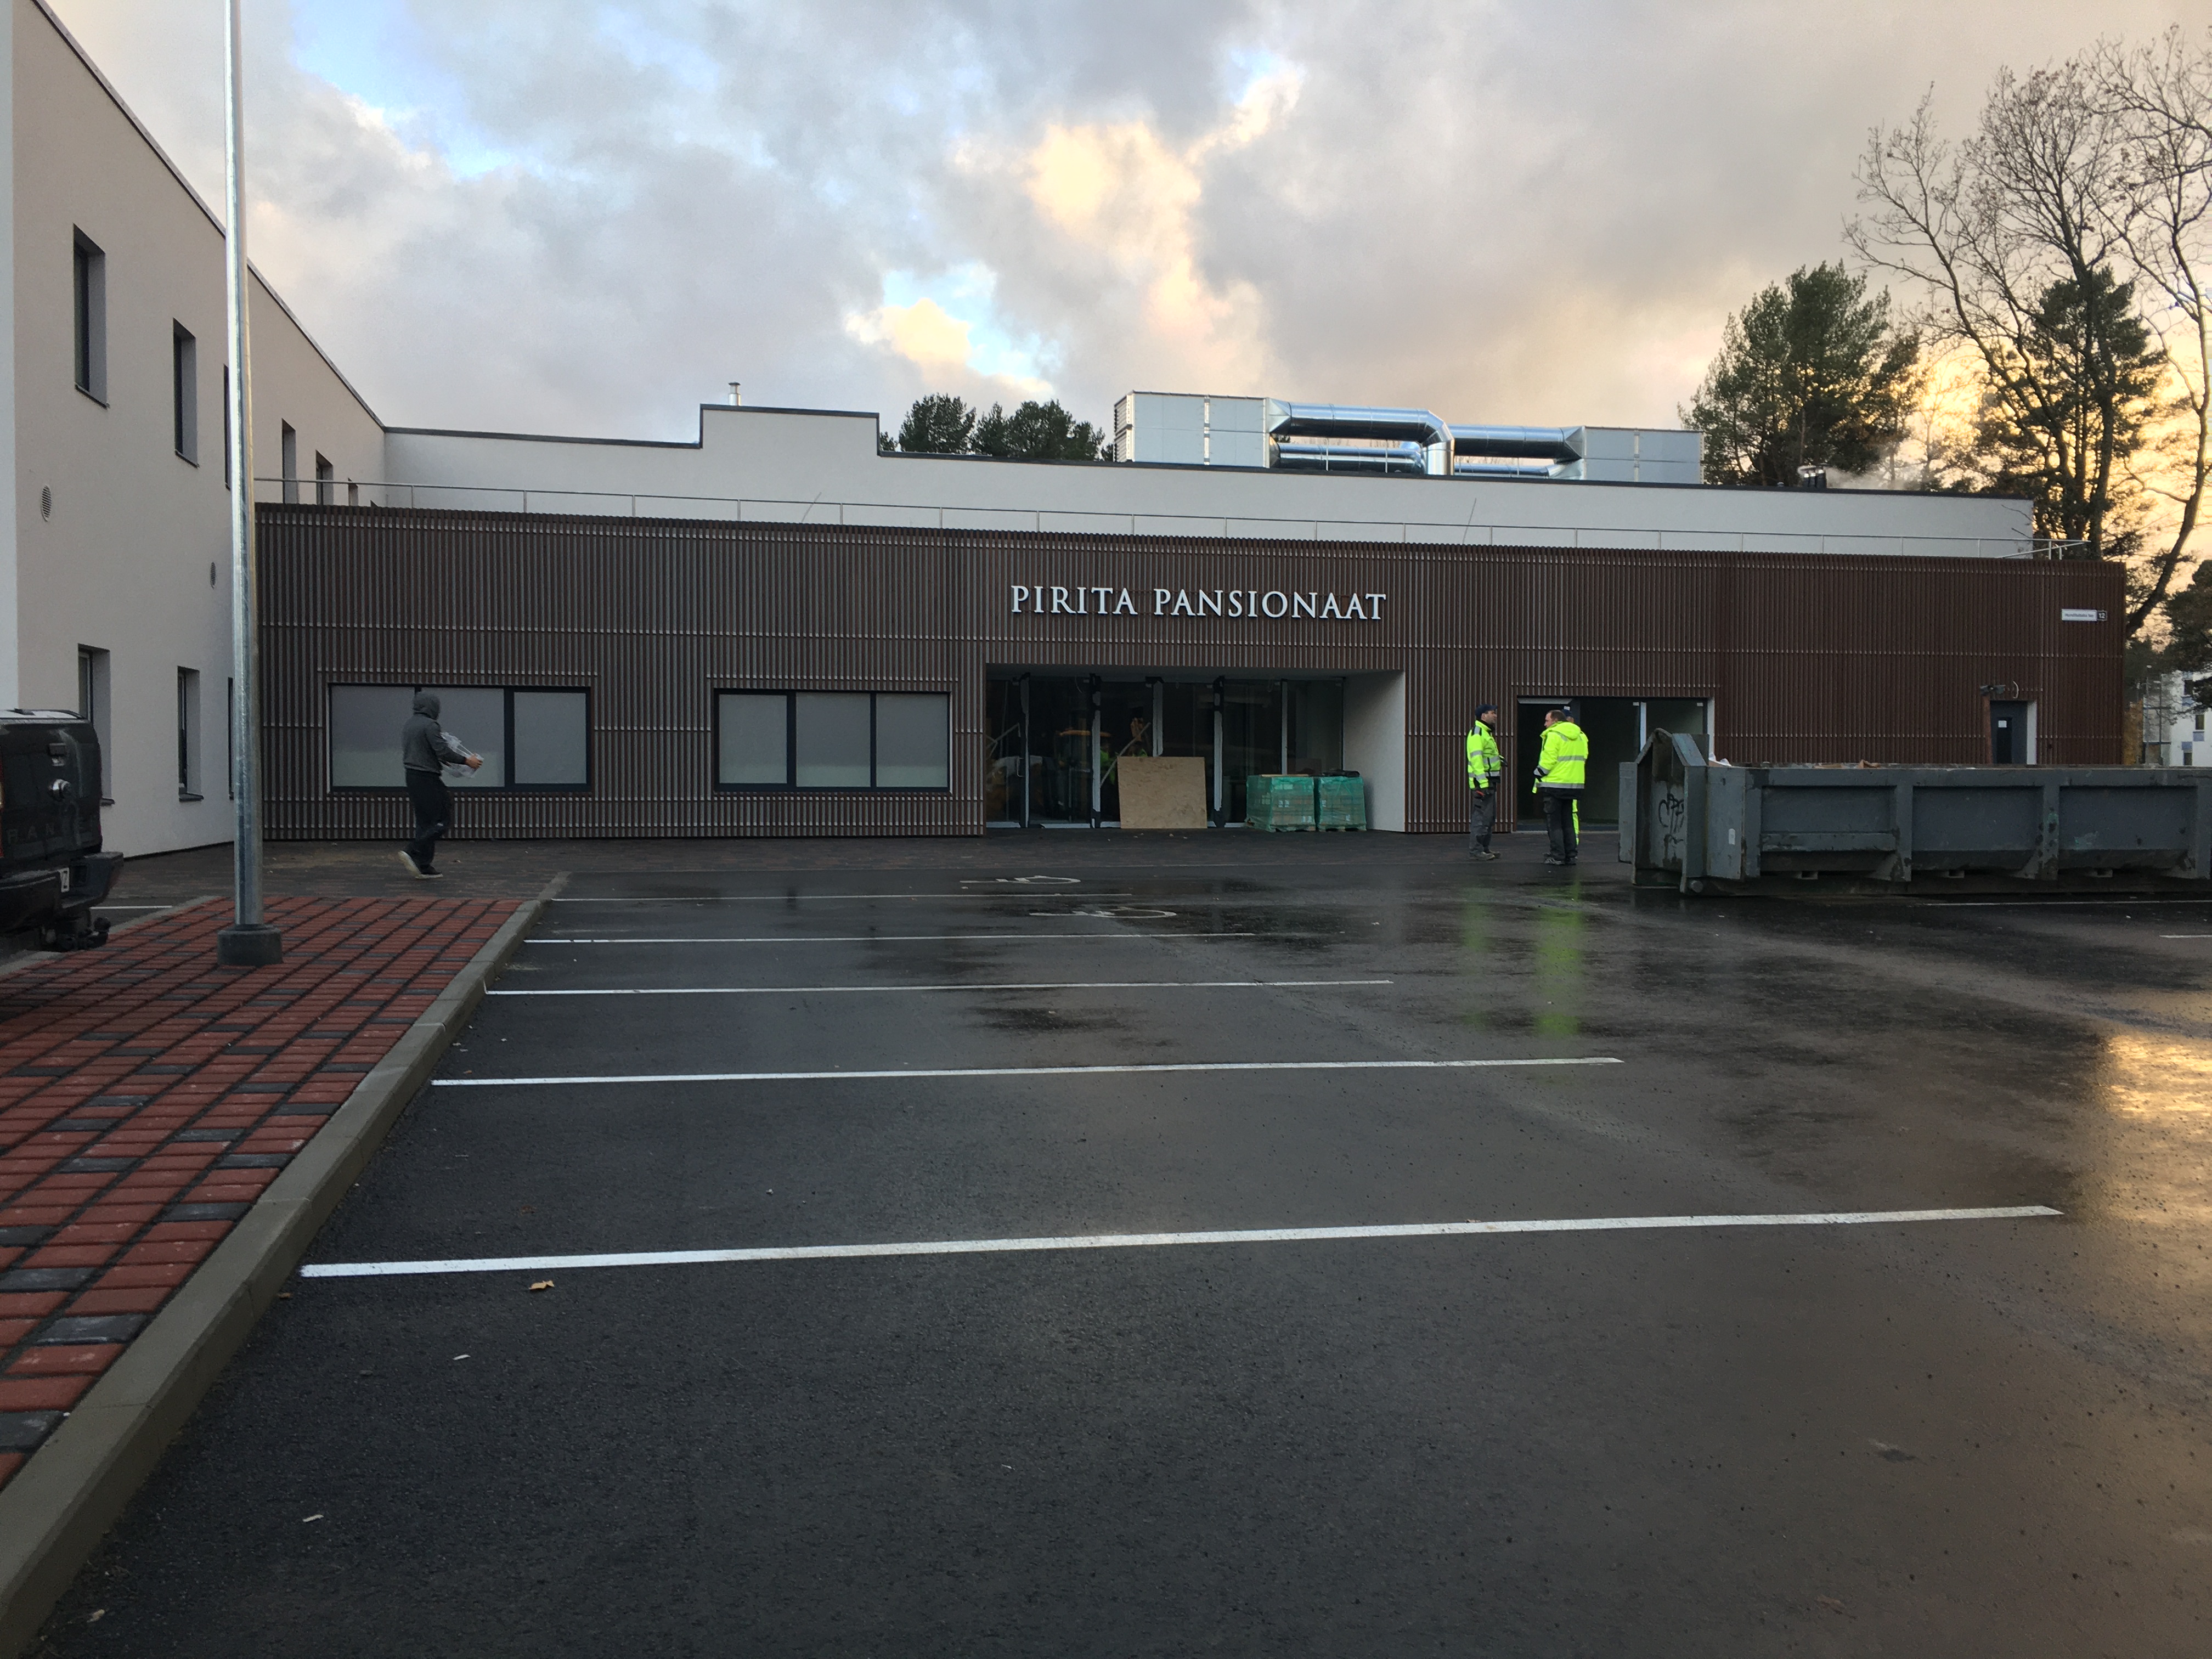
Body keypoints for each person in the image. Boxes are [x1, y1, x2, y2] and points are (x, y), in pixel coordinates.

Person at [399, 691, 480, 878]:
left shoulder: (409, 725)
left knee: (425, 821)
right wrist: (467, 761)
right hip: (428, 777)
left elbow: (425, 751)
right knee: (442, 819)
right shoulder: (430, 725)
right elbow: (442, 751)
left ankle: (422, 865)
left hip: (412, 776)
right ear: (432, 707)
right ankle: (413, 850)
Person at [1532, 704, 1588, 866]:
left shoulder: (1554, 735)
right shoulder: (1581, 736)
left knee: (1555, 823)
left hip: (1554, 785)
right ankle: (1571, 855)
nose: (1545, 724)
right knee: (1568, 821)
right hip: (1574, 785)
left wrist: (1538, 773)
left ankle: (1557, 856)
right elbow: (1584, 757)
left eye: (1547, 721)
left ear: (1555, 721)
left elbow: (1548, 759)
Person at [1465, 704, 1502, 859]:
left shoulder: (1485, 733)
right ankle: (1477, 851)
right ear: (1483, 716)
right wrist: (1483, 783)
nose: (1495, 716)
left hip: (1489, 781)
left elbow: (1486, 756)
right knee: (1481, 818)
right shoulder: (1478, 733)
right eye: (1492, 713)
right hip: (1483, 783)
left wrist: (1499, 760)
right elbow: (1476, 760)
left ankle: (1485, 848)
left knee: (1488, 818)